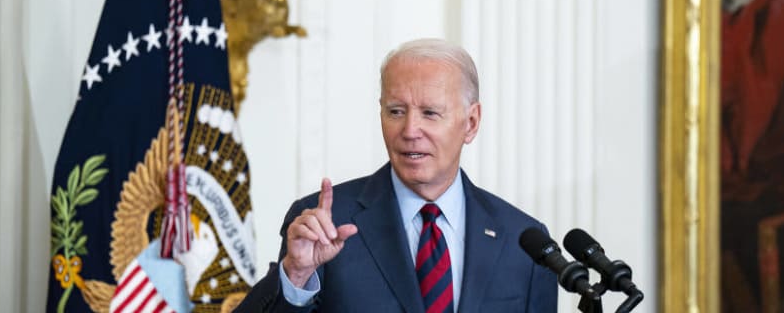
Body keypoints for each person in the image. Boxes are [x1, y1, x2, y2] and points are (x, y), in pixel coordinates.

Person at [235, 39, 557, 312]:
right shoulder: (325, 224)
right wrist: (296, 275)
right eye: (396, 112)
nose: (410, 130)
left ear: (471, 123)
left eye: (430, 113)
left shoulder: (524, 242)